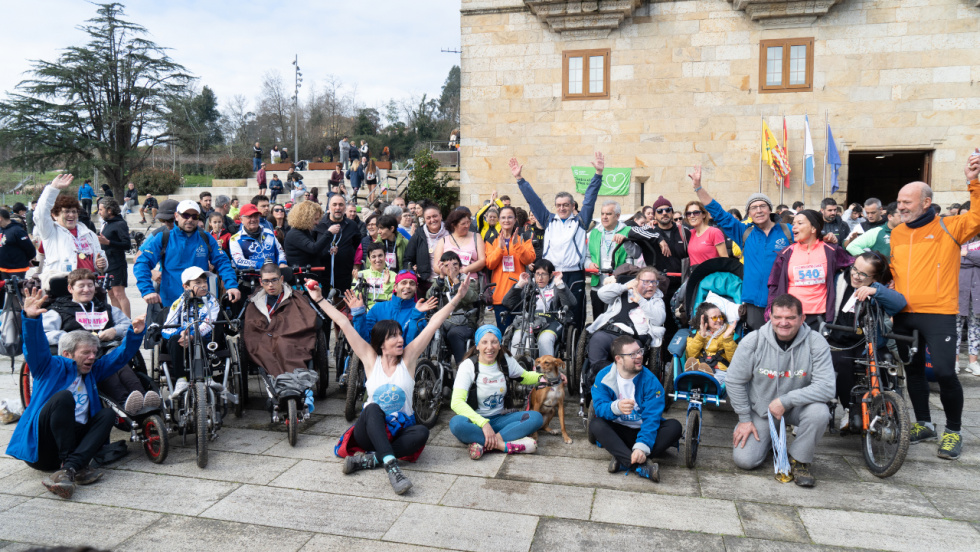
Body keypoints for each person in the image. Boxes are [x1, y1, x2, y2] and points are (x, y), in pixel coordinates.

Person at [314, 274, 472, 494]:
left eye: (400, 335)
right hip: (369, 431)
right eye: (393, 337)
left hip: (398, 431)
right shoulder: (371, 360)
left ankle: (370, 461)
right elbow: (342, 322)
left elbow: (434, 323)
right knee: (372, 409)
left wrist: (457, 299)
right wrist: (319, 299)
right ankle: (392, 468)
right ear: (381, 344)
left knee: (422, 433)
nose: (400, 340)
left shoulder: (407, 360)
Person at [7, 287, 146, 499]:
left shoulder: (92, 370)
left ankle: (69, 470)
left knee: (107, 414)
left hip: (74, 450)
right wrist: (30, 319)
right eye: (86, 353)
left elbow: (117, 358)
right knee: (64, 397)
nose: (92, 356)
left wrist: (134, 335)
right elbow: (35, 348)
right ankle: (70, 465)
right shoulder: (49, 367)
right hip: (44, 451)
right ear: (67, 354)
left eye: (94, 352)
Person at [890, 157, 980, 460]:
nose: (900, 206)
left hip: (939, 313)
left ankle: (953, 430)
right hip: (903, 313)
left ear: (926, 202)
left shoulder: (950, 226)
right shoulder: (898, 233)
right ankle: (924, 424)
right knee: (912, 372)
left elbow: (978, 216)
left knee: (943, 372)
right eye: (899, 201)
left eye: (906, 202)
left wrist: (974, 182)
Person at [727, 294, 835, 487]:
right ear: (770, 317)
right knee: (745, 461)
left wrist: (786, 400)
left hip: (799, 408)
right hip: (762, 410)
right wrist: (744, 419)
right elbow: (734, 381)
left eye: (791, 318)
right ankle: (770, 438)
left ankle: (800, 459)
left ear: (802, 319)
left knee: (820, 412)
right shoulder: (754, 341)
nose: (783, 323)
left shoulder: (815, 342)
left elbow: (827, 388)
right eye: (778, 317)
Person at [691, 165, 793, 331]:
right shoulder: (745, 232)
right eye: (754, 207)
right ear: (749, 213)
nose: (759, 210)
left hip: (782, 301)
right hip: (753, 302)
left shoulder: (788, 231)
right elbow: (718, 212)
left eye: (762, 206)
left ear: (770, 209)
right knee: (758, 345)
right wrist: (698, 188)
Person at [40, 268, 154, 415]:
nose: (86, 289)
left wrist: (115, 331)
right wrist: (71, 338)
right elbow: (46, 333)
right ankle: (124, 401)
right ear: (70, 288)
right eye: (81, 286)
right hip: (81, 357)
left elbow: (127, 324)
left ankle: (143, 397)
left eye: (90, 285)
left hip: (107, 349)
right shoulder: (57, 311)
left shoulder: (105, 308)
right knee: (108, 368)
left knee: (121, 365)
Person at [512, 152, 603, 329]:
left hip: (574, 274)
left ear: (572, 206)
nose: (562, 208)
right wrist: (519, 179)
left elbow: (590, 199)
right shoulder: (548, 220)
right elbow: (533, 200)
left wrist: (598, 174)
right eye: (559, 205)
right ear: (555, 207)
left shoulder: (581, 221)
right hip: (551, 274)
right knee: (550, 312)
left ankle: (574, 349)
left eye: (566, 205)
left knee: (575, 314)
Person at [827, 252, 907, 431]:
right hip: (841, 339)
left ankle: (885, 408)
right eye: (855, 269)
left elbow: (899, 304)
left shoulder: (878, 288)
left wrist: (876, 291)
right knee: (840, 361)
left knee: (883, 362)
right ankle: (849, 408)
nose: (856, 275)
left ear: (875, 277)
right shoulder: (839, 280)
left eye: (863, 274)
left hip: (869, 342)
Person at [589, 335, 682, 483]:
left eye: (640, 351)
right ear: (618, 359)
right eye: (633, 354)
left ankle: (623, 459)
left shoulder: (651, 381)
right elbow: (599, 408)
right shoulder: (604, 376)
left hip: (643, 429)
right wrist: (616, 407)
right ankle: (639, 466)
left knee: (675, 427)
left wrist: (642, 446)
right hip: (619, 430)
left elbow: (652, 418)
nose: (639, 356)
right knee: (596, 424)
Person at [449, 325, 546, 459]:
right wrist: (483, 423)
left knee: (535, 418)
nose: (490, 347)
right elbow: (456, 403)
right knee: (456, 424)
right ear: (477, 345)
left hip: (501, 418)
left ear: (500, 345)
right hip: (475, 422)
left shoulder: (505, 361)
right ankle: (504, 445)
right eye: (484, 342)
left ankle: (485, 444)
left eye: (494, 342)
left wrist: (543, 377)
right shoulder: (468, 366)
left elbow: (525, 376)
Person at [134, 200, 240, 310]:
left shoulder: (206, 238)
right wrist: (147, 290)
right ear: (176, 216)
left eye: (194, 216)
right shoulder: (163, 237)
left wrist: (231, 285)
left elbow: (222, 262)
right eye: (185, 215)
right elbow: (142, 263)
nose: (190, 219)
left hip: (200, 303)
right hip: (170, 303)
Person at [767, 209, 853, 329]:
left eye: (800, 223)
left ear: (813, 229)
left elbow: (855, 264)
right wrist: (770, 312)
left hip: (820, 316)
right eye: (793, 223)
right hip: (791, 316)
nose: (794, 227)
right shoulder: (786, 253)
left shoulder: (831, 250)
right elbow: (774, 284)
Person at [243, 263, 319, 387]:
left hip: (291, 337)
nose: (271, 285)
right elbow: (251, 328)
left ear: (281, 279)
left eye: (274, 280)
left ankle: (292, 381)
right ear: (260, 282)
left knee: (284, 343)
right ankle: (280, 381)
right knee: (266, 347)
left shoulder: (297, 298)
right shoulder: (254, 302)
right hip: (265, 339)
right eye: (266, 281)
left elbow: (308, 319)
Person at [586, 266, 666, 377]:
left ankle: (616, 377)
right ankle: (598, 378)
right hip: (610, 332)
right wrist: (625, 286)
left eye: (654, 282)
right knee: (597, 340)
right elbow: (601, 294)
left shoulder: (657, 301)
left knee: (630, 355)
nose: (651, 285)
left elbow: (659, 320)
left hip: (633, 338)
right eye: (646, 282)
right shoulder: (624, 292)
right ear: (637, 281)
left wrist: (641, 301)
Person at [161, 267, 221, 397]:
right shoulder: (178, 303)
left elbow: (208, 324)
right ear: (186, 286)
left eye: (205, 281)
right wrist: (183, 333)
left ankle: (208, 377)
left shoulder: (213, 302)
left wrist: (193, 335)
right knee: (173, 339)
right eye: (198, 283)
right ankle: (181, 379)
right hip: (182, 342)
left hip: (205, 340)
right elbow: (166, 328)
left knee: (201, 338)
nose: (203, 285)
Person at [34, 174, 108, 277]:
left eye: (74, 211)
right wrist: (53, 189)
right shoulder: (50, 232)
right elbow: (40, 214)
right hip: (62, 285)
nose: (71, 215)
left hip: (88, 285)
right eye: (66, 212)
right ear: (55, 215)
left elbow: (99, 258)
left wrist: (102, 264)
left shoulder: (89, 234)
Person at [503, 260, 576, 358]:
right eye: (537, 274)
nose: (540, 278)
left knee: (545, 339)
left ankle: (546, 371)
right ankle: (516, 368)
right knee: (517, 338)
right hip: (529, 319)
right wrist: (520, 284)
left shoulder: (555, 287)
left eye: (544, 274)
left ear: (550, 276)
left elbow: (571, 303)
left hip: (551, 321)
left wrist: (559, 283)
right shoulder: (528, 287)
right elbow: (507, 302)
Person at [486, 205, 536, 331]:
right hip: (500, 294)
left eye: (510, 217)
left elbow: (529, 259)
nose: (506, 220)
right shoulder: (492, 240)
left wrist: (517, 246)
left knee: (519, 334)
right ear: (499, 220)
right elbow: (490, 264)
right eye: (503, 217)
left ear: (515, 220)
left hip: (519, 292)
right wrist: (500, 248)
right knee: (503, 333)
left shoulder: (524, 237)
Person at [353, 270, 435, 345]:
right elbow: (365, 340)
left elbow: (413, 344)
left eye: (412, 283)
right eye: (404, 283)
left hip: (405, 358)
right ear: (395, 287)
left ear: (416, 288)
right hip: (378, 357)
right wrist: (359, 314)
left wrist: (417, 316)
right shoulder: (378, 308)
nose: (408, 286)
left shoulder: (419, 310)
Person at [428, 251, 480, 364]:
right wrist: (441, 279)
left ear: (460, 266)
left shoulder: (468, 280)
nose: (451, 268)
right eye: (447, 265)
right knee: (429, 331)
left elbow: (472, 298)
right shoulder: (439, 281)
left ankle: (462, 367)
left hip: (464, 322)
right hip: (443, 322)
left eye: (455, 264)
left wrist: (456, 281)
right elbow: (430, 297)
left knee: (454, 334)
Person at [586, 200, 632, 319]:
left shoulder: (627, 231)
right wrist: (590, 264)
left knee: (617, 320)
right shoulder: (594, 232)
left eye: (608, 214)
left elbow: (632, 258)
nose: (604, 217)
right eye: (602, 214)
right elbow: (587, 256)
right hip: (598, 285)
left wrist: (621, 274)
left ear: (617, 216)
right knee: (598, 319)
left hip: (618, 285)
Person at [684, 302, 737, 383]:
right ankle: (696, 376)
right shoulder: (695, 335)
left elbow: (734, 361)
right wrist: (700, 337)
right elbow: (690, 356)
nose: (719, 320)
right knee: (695, 367)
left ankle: (701, 379)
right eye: (715, 318)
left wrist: (727, 339)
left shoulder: (730, 334)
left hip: (719, 370)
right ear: (705, 320)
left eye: (721, 316)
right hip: (699, 366)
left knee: (714, 379)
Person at [96, 199, 132, 318]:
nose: (99, 212)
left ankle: (127, 322)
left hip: (117, 264)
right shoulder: (106, 224)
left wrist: (108, 242)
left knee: (119, 294)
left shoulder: (120, 223)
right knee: (111, 294)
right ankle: (118, 319)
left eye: (101, 210)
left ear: (109, 210)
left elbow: (127, 245)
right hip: (107, 263)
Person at [404, 202, 448, 297]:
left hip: (448, 280)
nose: (432, 220)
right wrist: (413, 271)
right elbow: (408, 259)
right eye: (428, 218)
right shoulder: (419, 234)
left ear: (440, 216)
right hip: (425, 282)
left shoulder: (450, 232)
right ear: (424, 219)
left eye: (435, 216)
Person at [230, 203, 288, 269]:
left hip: (274, 275)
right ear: (241, 220)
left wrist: (282, 263)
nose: (253, 219)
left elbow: (280, 252)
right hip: (252, 277)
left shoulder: (268, 232)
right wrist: (263, 266)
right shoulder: (235, 239)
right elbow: (239, 261)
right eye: (250, 216)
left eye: (256, 216)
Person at [433, 208, 486, 278]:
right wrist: (451, 272)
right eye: (463, 224)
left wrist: (465, 270)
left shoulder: (476, 237)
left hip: (471, 280)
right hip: (449, 282)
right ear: (454, 225)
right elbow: (436, 266)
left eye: (468, 222)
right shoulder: (444, 241)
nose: (467, 226)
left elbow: (482, 260)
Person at [284, 200, 330, 268]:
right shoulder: (294, 234)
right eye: (315, 219)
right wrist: (329, 233)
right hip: (302, 276)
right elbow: (313, 249)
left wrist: (328, 252)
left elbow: (313, 254)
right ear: (306, 219)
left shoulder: (305, 232)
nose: (317, 223)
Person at [684, 200, 727, 266]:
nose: (692, 216)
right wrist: (661, 240)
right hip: (695, 275)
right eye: (688, 213)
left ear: (703, 215)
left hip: (711, 274)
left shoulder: (714, 232)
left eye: (696, 213)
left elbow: (725, 259)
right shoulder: (689, 233)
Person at [356, 243, 397, 307]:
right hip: (366, 312)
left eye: (380, 255)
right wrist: (358, 283)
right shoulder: (361, 275)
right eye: (373, 257)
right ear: (369, 259)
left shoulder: (394, 276)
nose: (377, 260)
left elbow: (394, 300)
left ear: (385, 256)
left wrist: (387, 285)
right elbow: (357, 300)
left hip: (386, 312)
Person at [0, 208, 36, 281]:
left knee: (16, 291)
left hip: (16, 268)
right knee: (5, 290)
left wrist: (26, 259)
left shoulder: (17, 230)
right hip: (3, 268)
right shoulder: (1, 229)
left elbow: (30, 249)